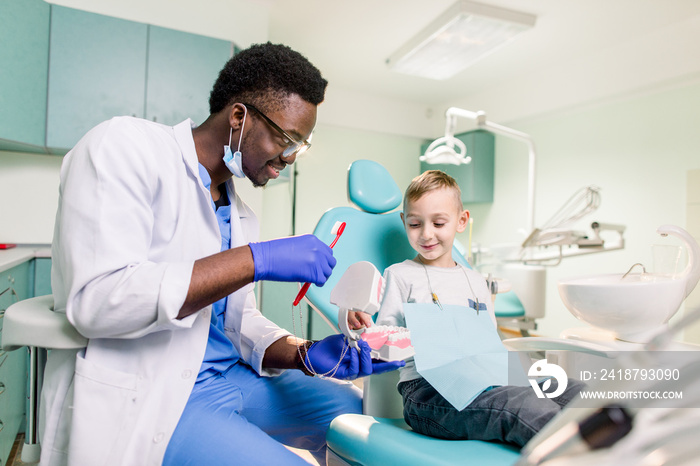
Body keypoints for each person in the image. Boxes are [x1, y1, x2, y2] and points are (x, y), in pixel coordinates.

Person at [42, 42, 401, 466]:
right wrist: (254, 259)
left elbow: (234, 322)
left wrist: (305, 353)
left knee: (370, 423)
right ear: (238, 117)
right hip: (161, 392)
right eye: (286, 139)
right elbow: (99, 300)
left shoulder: (239, 211)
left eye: (299, 147)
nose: (287, 159)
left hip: (234, 375)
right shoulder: (123, 147)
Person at [348, 170, 584, 448]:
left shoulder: (476, 281)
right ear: (404, 221)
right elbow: (384, 342)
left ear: (461, 221)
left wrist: (522, 371)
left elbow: (490, 342)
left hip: (485, 378)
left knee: (574, 392)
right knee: (528, 407)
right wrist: (364, 329)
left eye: (438, 223)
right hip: (428, 392)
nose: (426, 233)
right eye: (415, 224)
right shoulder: (400, 275)